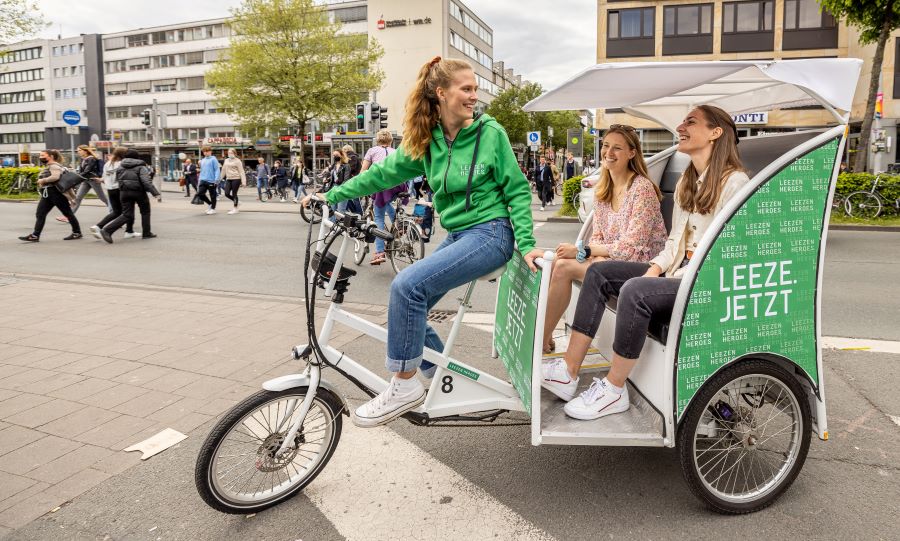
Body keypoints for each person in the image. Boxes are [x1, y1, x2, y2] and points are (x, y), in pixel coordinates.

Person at [302, 56, 543, 428]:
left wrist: (525, 244)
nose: (474, 96)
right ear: (441, 93)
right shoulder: (427, 141)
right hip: (461, 233)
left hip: (492, 232)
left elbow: (517, 190)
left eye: (475, 89)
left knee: (406, 286)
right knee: (409, 300)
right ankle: (440, 371)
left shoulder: (489, 133)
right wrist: (330, 196)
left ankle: (404, 384)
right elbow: (380, 175)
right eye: (467, 89)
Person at [542, 105, 750, 421]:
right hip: (674, 271)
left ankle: (614, 390)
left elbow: (727, 254)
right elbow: (673, 242)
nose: (680, 125)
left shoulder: (735, 183)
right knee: (599, 273)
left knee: (636, 291)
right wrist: (656, 269)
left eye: (690, 122)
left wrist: (661, 275)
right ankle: (568, 372)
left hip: (702, 280)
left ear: (715, 132)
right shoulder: (688, 183)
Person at [541, 126, 667, 354]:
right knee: (558, 264)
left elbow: (633, 248)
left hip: (645, 268)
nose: (609, 152)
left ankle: (541, 339)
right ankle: (544, 336)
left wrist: (588, 252)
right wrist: (596, 255)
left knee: (564, 267)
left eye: (617, 147)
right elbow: (599, 235)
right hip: (614, 262)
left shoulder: (642, 188)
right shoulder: (605, 189)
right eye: (606, 146)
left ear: (631, 153)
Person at [98, 150, 161, 243]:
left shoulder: (120, 166)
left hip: (124, 193)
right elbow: (146, 182)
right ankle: (146, 233)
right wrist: (155, 193)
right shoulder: (141, 167)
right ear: (137, 157)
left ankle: (107, 230)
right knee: (145, 212)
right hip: (139, 192)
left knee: (127, 214)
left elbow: (117, 179)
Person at [18, 149, 82, 242]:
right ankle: (35, 235)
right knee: (40, 213)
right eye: (40, 156)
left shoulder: (54, 166)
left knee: (67, 213)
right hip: (48, 193)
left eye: (43, 155)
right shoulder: (50, 165)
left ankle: (77, 232)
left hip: (56, 193)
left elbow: (55, 177)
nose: (41, 157)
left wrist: (42, 180)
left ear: (51, 157)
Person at [361, 129, 399, 264]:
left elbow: (363, 171)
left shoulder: (372, 151)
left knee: (378, 218)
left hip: (381, 187)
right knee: (386, 202)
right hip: (397, 186)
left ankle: (379, 252)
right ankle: (399, 223)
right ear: (391, 140)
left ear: (377, 140)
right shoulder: (396, 152)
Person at [91, 146, 136, 239]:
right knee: (128, 211)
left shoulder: (108, 164)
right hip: (120, 189)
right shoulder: (123, 163)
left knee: (116, 212)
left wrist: (101, 180)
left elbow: (104, 178)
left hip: (110, 190)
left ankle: (98, 226)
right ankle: (129, 231)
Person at [58, 145, 109, 224]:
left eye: (79, 150)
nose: (78, 152)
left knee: (102, 198)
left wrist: (76, 176)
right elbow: (82, 171)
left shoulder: (91, 159)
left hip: (93, 180)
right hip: (85, 180)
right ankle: (69, 217)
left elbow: (87, 171)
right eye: (78, 150)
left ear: (85, 151)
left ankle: (115, 213)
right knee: (77, 198)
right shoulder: (84, 159)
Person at [220, 149, 246, 214]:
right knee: (227, 193)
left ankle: (235, 208)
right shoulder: (226, 160)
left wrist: (243, 182)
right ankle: (237, 202)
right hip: (228, 179)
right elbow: (223, 170)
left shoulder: (238, 161)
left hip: (236, 178)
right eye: (229, 153)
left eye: (231, 153)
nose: (230, 154)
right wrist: (219, 179)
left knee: (234, 194)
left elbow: (241, 171)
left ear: (234, 153)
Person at [196, 146, 221, 215]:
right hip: (203, 180)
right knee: (200, 193)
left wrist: (216, 179)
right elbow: (202, 171)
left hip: (211, 180)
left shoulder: (213, 159)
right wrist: (199, 180)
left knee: (212, 195)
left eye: (207, 151)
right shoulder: (203, 160)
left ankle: (213, 209)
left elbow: (217, 169)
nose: (205, 153)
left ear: (210, 151)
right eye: (204, 151)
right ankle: (210, 204)